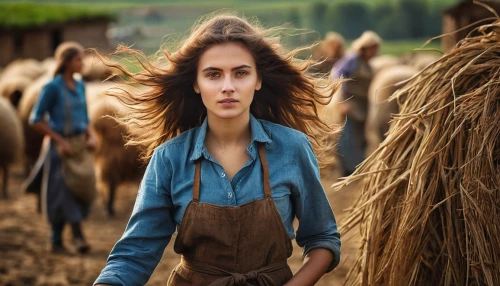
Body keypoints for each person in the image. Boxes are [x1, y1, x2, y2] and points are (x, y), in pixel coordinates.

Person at [94, 14, 341, 286]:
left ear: (258, 80)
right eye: (213, 74)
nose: (228, 87)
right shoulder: (169, 159)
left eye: (241, 73)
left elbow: (322, 238)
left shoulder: (292, 148)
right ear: (196, 84)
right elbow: (134, 254)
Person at [30, 42, 96, 254]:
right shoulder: (52, 87)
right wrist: (59, 140)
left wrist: (92, 136)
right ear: (67, 62)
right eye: (78, 59)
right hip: (60, 148)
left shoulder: (80, 86)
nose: (82, 63)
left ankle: (58, 239)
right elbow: (36, 119)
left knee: (79, 189)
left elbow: (85, 117)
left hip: (79, 146)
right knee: (62, 192)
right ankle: (74, 237)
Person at [331, 30, 381, 176]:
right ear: (365, 48)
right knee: (348, 134)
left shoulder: (367, 63)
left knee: (359, 135)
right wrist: (342, 101)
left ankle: (357, 167)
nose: (374, 51)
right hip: (349, 102)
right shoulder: (352, 60)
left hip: (362, 103)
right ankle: (348, 169)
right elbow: (338, 76)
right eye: (372, 47)